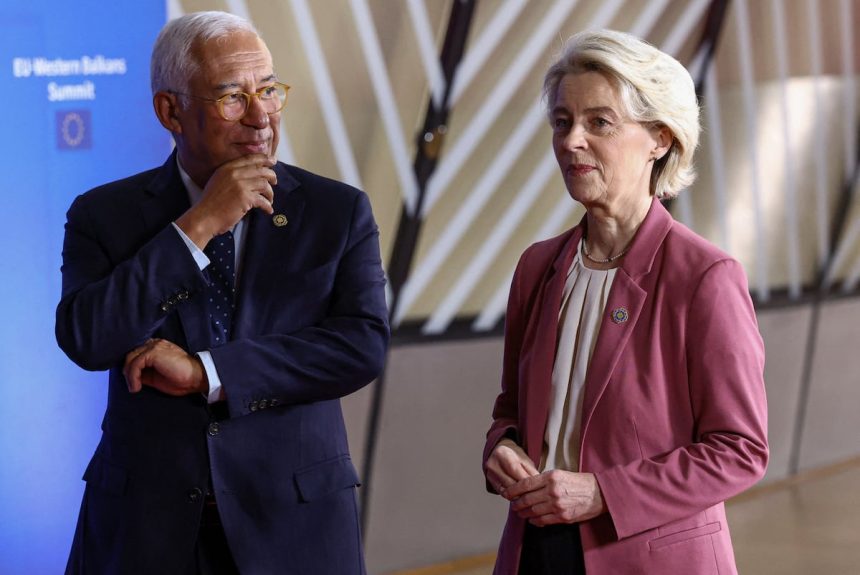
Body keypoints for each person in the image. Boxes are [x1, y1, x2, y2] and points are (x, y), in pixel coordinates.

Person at [56, 11, 388, 575]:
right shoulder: (102, 214)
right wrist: (198, 226)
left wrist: (207, 372)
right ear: (171, 111)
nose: (261, 116)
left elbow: (361, 346)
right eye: (233, 96)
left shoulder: (336, 211)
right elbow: (87, 338)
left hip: (292, 529)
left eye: (269, 90)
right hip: (145, 531)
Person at [482, 29, 768, 574]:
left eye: (599, 122)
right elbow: (511, 409)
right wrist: (502, 445)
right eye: (562, 122)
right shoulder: (536, 267)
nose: (571, 141)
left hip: (651, 556)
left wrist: (602, 493)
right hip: (534, 552)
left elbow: (740, 449)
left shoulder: (705, 277)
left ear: (659, 138)